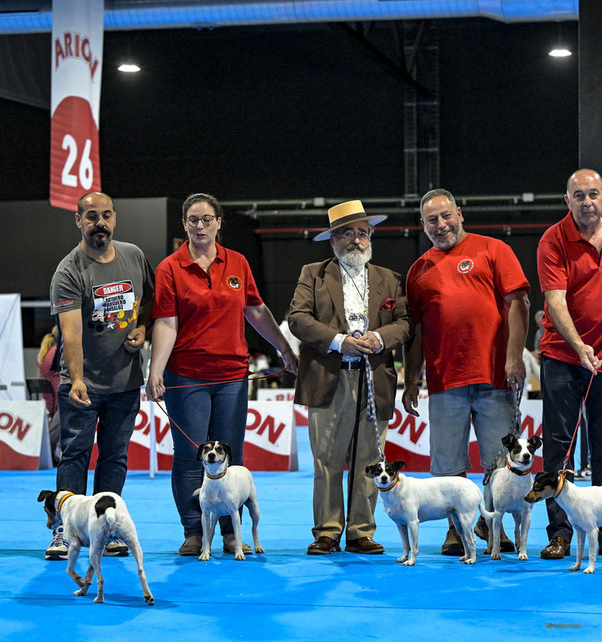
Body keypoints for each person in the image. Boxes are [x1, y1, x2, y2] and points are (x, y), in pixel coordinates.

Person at [146, 193, 298, 556]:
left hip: (232, 376)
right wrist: (155, 372)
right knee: (189, 456)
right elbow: (166, 322)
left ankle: (232, 533)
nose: (200, 226)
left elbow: (256, 311)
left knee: (232, 456)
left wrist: (285, 349)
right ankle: (194, 532)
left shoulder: (239, 263)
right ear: (184, 224)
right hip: (187, 376)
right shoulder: (170, 268)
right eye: (193, 220)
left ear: (218, 223)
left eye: (207, 219)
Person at [402, 188, 529, 556]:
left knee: (498, 464)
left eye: (446, 216)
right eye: (431, 220)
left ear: (459, 213)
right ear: (422, 225)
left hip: (494, 376)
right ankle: (457, 531)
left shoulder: (493, 250)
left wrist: (514, 356)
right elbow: (416, 331)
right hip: (444, 381)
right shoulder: (418, 271)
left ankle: (496, 530)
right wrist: (412, 379)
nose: (441, 225)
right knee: (446, 467)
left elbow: (518, 302)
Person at [288, 200, 411, 556]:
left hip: (375, 377)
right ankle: (327, 530)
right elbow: (297, 318)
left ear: (370, 236)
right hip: (330, 377)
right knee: (326, 459)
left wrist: (380, 338)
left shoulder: (389, 278)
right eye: (346, 233)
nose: (355, 239)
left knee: (370, 459)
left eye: (362, 232)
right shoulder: (313, 273)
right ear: (332, 240)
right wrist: (340, 342)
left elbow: (405, 323)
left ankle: (360, 531)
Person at [535, 168, 602, 560]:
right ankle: (560, 533)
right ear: (567, 200)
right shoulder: (553, 239)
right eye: (578, 195)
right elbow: (555, 300)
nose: (586, 202)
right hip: (564, 358)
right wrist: (579, 345)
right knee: (559, 450)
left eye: (593, 194)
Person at [47, 191, 155, 560]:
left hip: (125, 383)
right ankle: (65, 531)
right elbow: (71, 332)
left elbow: (152, 304)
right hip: (83, 385)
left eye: (106, 215)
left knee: (115, 457)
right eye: (92, 217)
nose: (101, 224)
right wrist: (75, 379)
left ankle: (106, 528)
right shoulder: (69, 270)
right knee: (75, 455)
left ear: (115, 218)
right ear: (78, 221)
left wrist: (143, 330)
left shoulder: (134, 256)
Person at [37, 324, 62, 463]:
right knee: (56, 430)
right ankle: (49, 455)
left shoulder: (43, 353)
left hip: (48, 397)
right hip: (59, 395)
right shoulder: (55, 352)